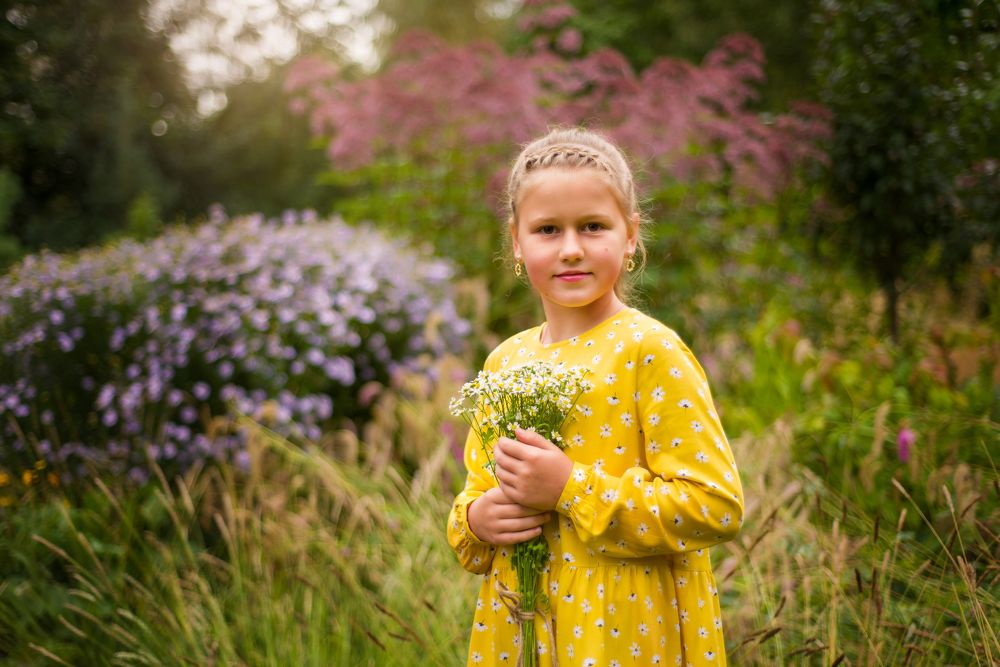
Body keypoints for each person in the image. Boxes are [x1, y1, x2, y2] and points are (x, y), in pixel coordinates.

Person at [447, 127, 744, 667]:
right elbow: (476, 494)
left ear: (630, 235)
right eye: (546, 230)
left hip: (624, 635)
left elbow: (715, 507)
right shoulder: (504, 363)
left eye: (592, 226)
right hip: (520, 629)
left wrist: (570, 488)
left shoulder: (649, 352)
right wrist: (476, 522)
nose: (570, 249)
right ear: (515, 241)